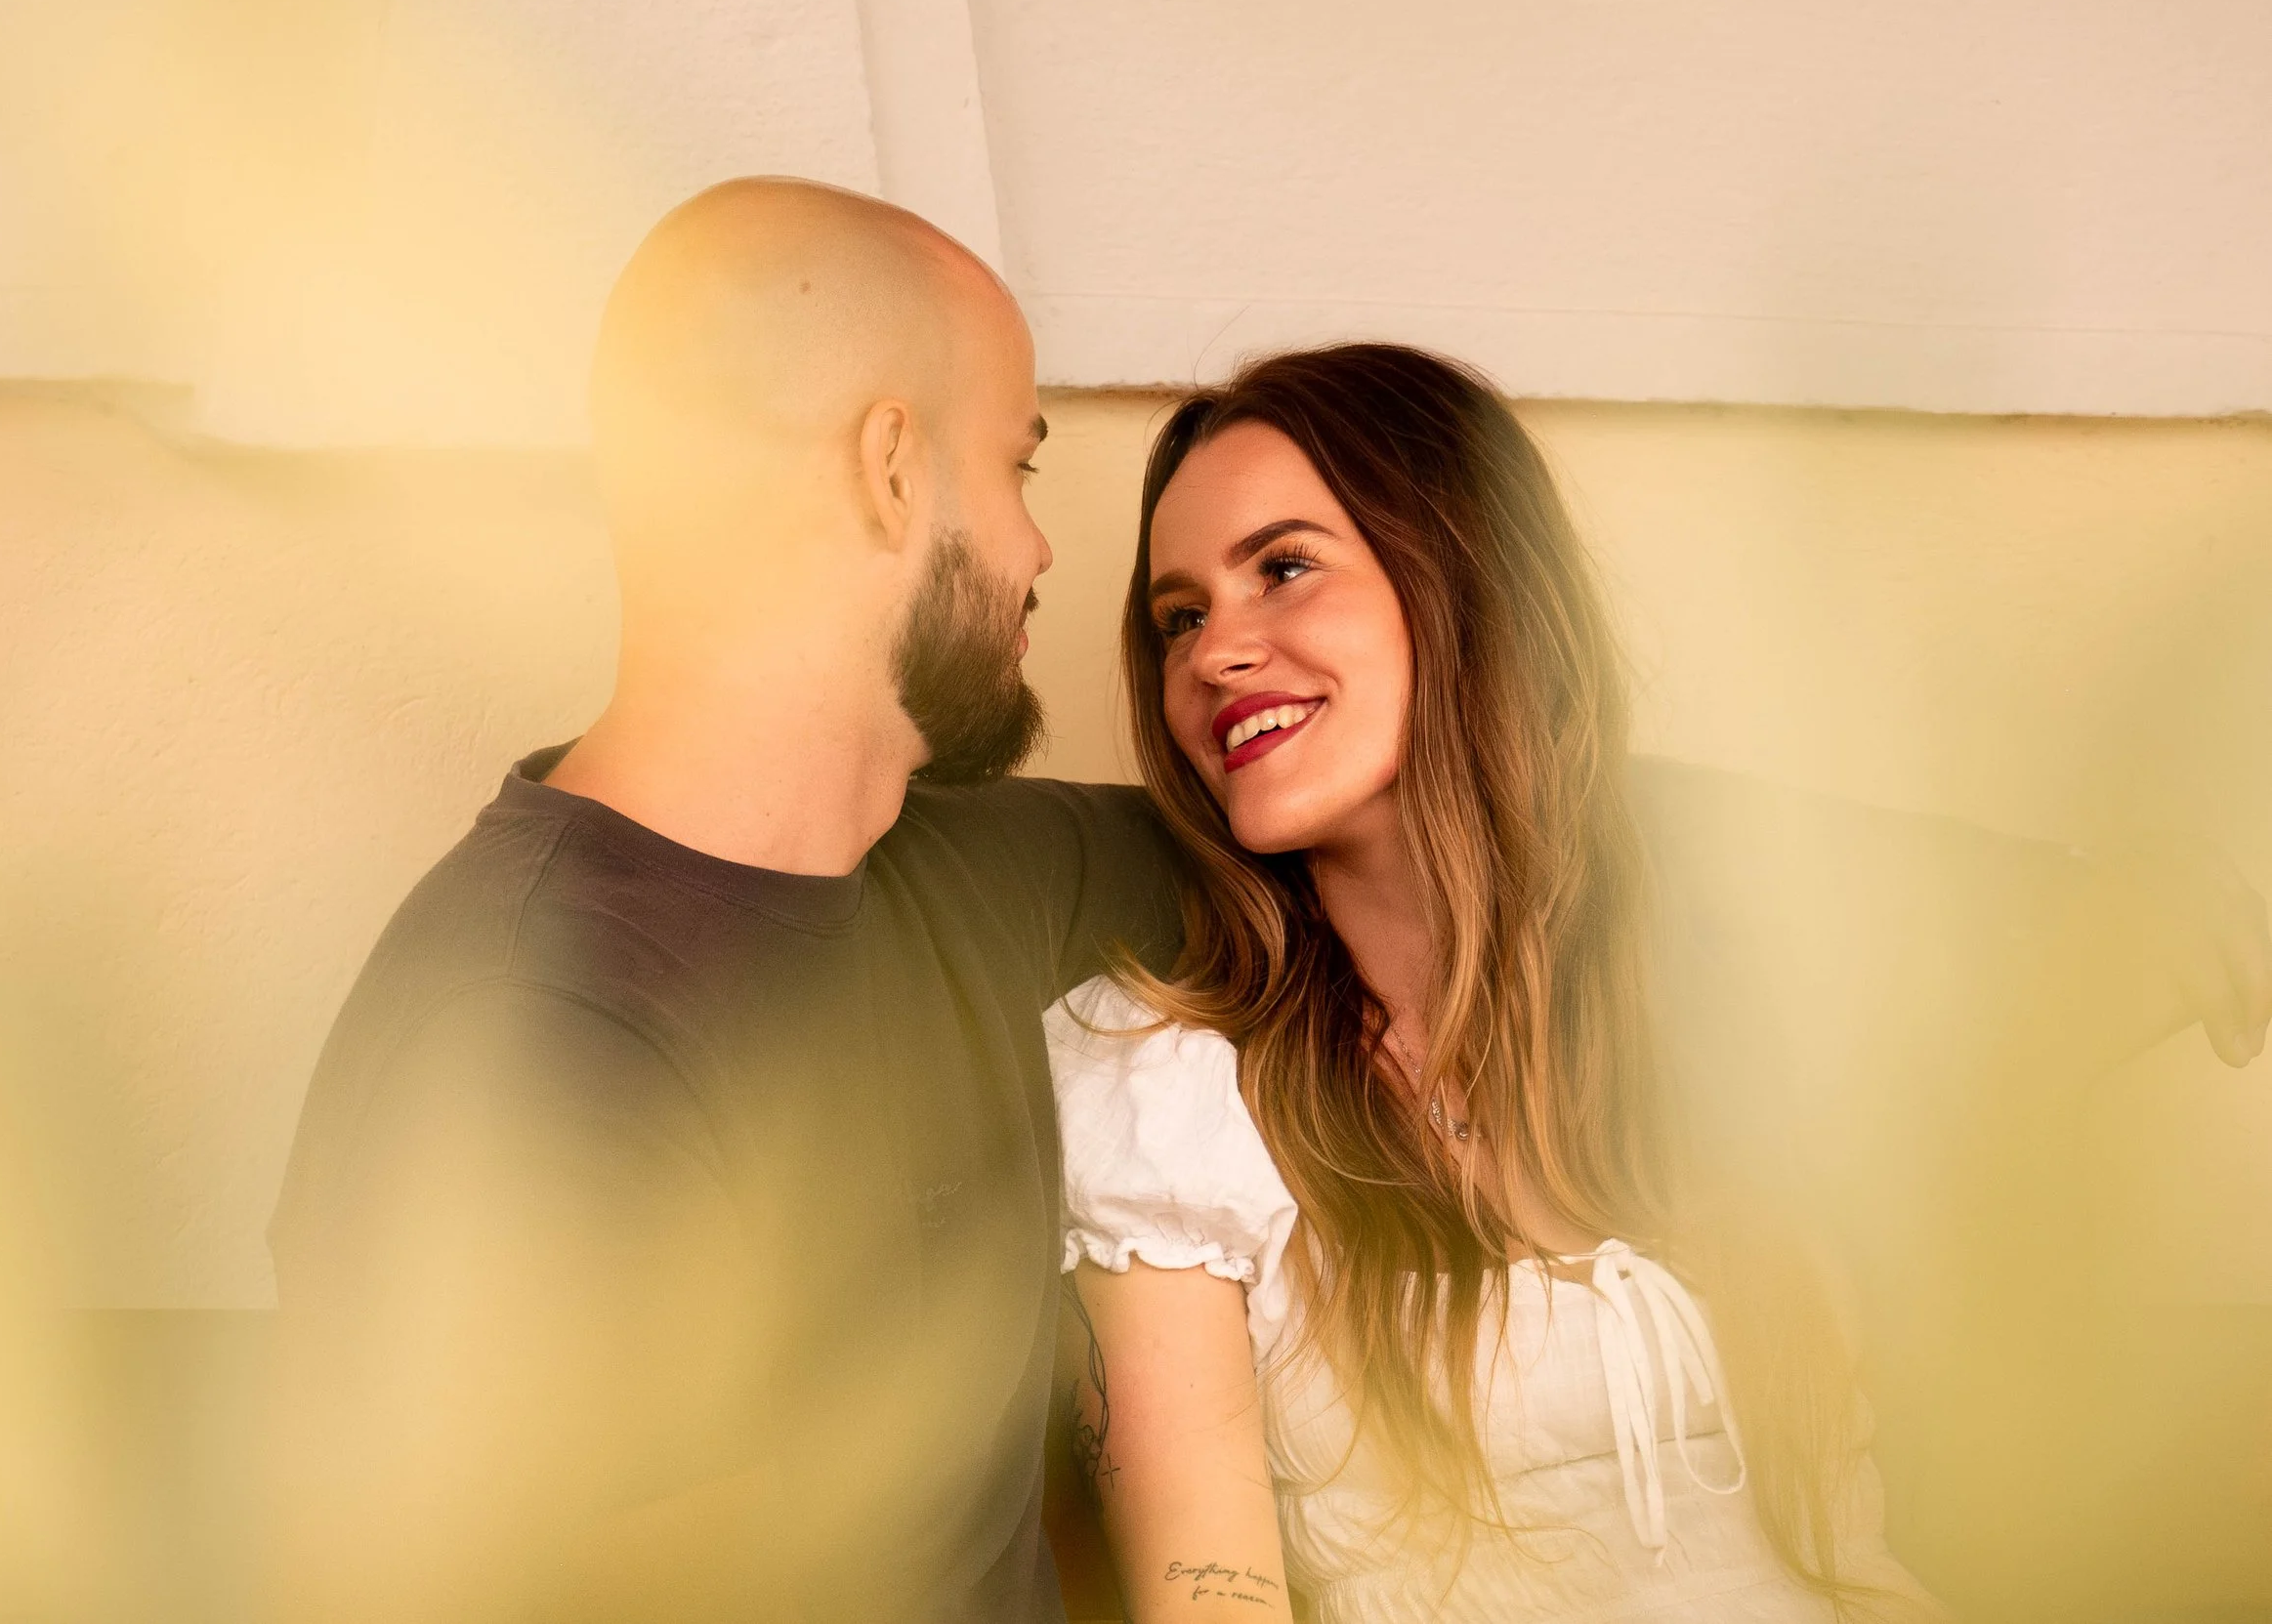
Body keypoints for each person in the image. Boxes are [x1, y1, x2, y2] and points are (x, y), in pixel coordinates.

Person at [1044, 343, 2272, 1622]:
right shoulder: (1167, 1084)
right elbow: (1209, 1596)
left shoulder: (1736, 1008)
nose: (1213, 656)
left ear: (1470, 581)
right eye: (1178, 618)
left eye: (1283, 569)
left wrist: (2130, 905)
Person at [265, 178, 1182, 1623]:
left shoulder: (977, 880)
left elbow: (1367, 846)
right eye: (1018, 469)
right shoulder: (539, 1052)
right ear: (891, 468)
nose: (1040, 551)